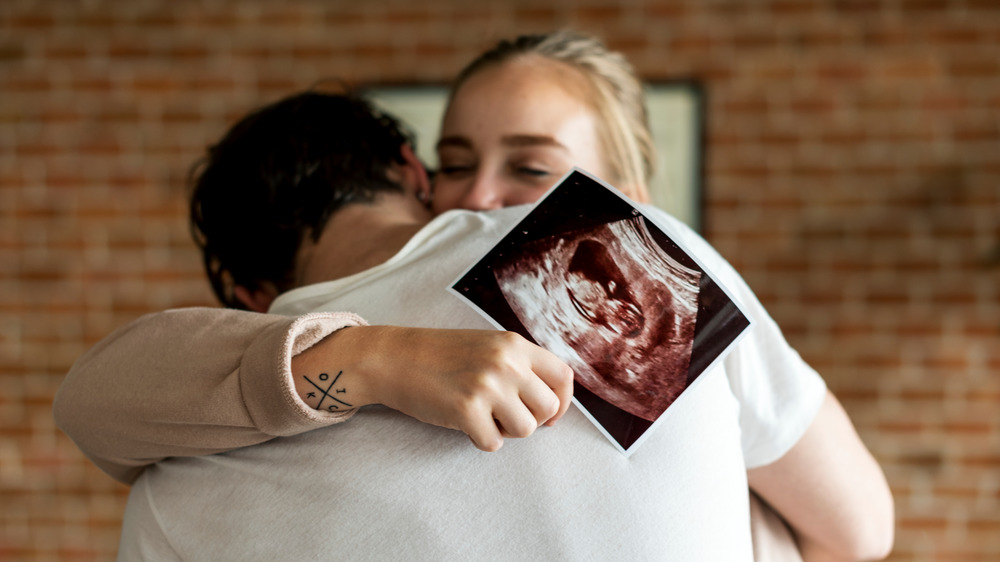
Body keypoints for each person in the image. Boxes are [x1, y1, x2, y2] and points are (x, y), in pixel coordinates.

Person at [55, 32, 894, 560]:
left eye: (532, 171)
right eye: (462, 163)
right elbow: (858, 530)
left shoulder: (176, 474)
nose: (487, 200)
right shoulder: (600, 255)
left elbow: (90, 404)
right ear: (418, 175)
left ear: (244, 292)